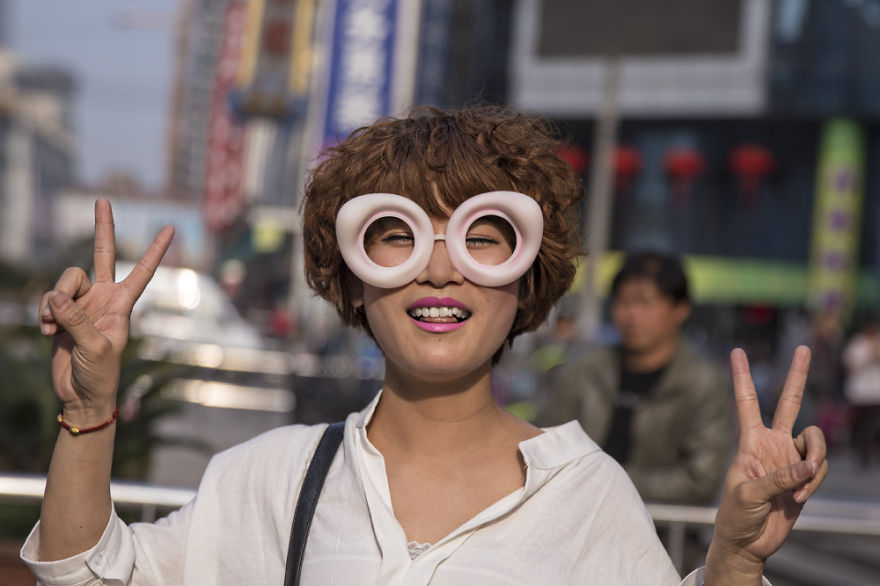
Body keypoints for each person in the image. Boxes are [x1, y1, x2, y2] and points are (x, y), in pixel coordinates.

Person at [22, 106, 827, 585]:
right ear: (352, 280)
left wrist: (733, 566)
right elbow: (89, 576)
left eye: (483, 238)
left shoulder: (587, 496)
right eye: (397, 236)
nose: (439, 269)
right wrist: (89, 410)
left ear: (526, 281)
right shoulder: (271, 477)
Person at [537, 251, 732, 506]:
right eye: (623, 301)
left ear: (680, 309)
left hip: (662, 528)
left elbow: (701, 480)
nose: (632, 314)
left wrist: (606, 480)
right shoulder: (585, 370)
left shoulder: (704, 383)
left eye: (645, 302)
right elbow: (548, 442)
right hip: (579, 517)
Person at [841, 312, 880, 468]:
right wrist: (869, 358)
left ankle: (869, 453)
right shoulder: (857, 343)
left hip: (876, 393)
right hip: (859, 393)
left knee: (872, 426)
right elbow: (849, 366)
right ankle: (861, 453)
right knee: (860, 425)